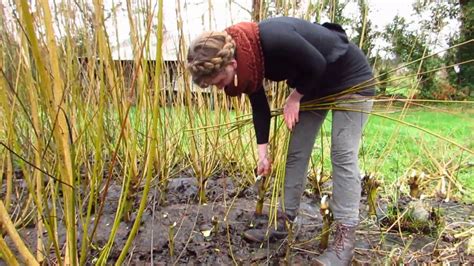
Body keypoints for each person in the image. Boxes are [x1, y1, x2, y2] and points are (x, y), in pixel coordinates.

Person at [186, 16, 374, 265]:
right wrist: (262, 153)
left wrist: (294, 98)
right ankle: (283, 223)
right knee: (296, 150)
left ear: (230, 64)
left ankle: (344, 242)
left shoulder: (273, 39)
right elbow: (259, 105)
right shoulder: (248, 58)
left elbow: (317, 62)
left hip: (351, 80)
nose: (220, 88)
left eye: (218, 82)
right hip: (317, 85)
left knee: (342, 154)